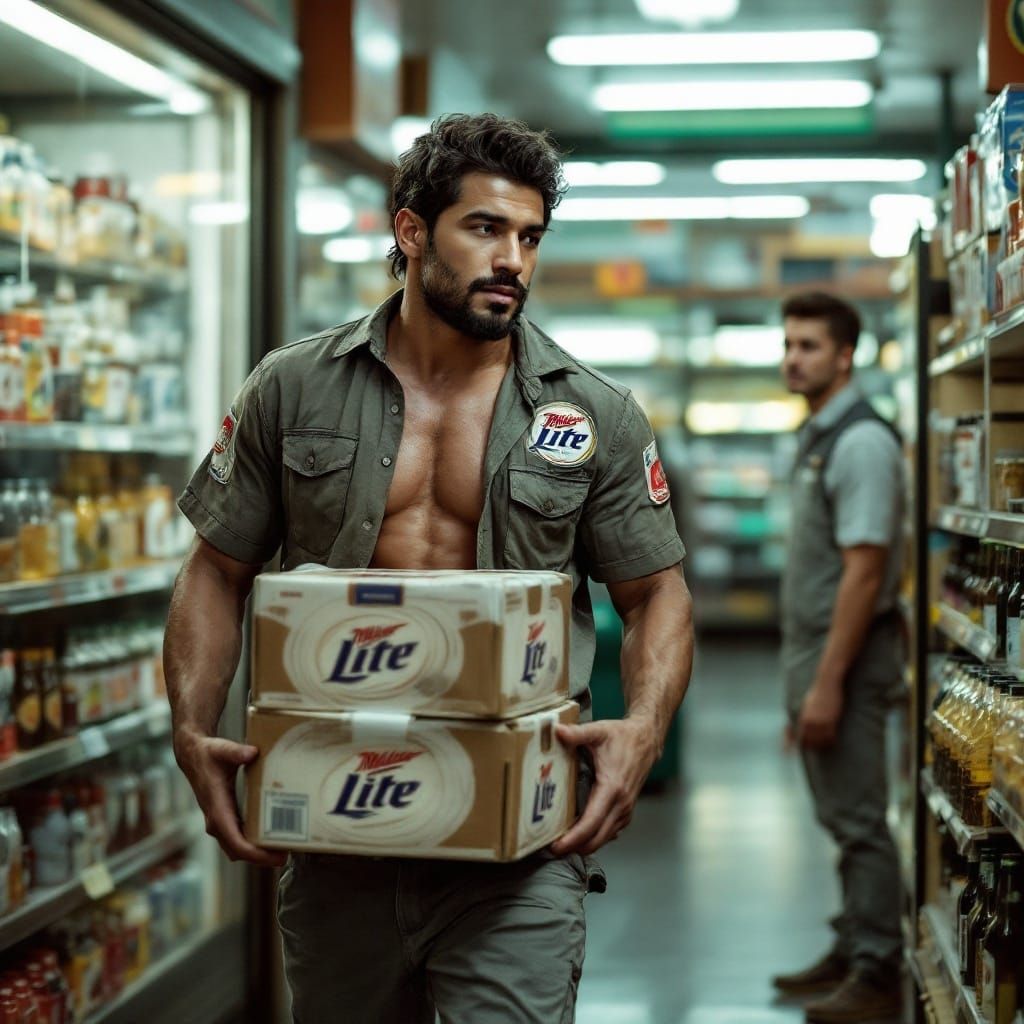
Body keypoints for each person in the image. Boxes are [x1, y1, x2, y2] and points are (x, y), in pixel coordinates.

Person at [165, 112, 694, 1023]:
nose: (513, 261)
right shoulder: (293, 387)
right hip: (338, 826)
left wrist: (643, 727)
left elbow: (657, 595)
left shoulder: (595, 413)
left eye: (530, 236)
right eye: (486, 229)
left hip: (519, 847)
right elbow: (215, 569)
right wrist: (191, 724)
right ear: (410, 230)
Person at [772, 292, 904, 1023]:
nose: (794, 358)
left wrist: (826, 686)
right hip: (815, 659)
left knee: (859, 823)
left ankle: (877, 970)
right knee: (839, 818)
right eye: (789, 344)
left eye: (810, 346)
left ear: (846, 355)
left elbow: (864, 570)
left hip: (845, 663)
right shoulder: (820, 434)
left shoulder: (860, 442)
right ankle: (852, 940)